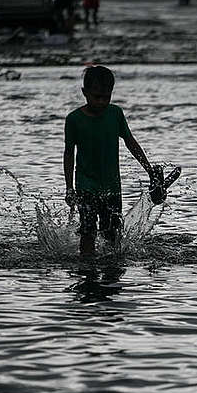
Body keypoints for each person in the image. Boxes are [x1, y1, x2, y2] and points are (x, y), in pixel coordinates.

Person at [63, 66, 156, 256]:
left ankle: (111, 273)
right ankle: (87, 268)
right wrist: (69, 188)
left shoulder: (115, 114)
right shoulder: (74, 120)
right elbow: (69, 154)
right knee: (88, 232)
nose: (102, 102)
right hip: (85, 186)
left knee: (112, 233)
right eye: (97, 96)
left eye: (107, 96)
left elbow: (131, 142)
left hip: (112, 186)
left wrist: (150, 170)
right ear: (84, 93)